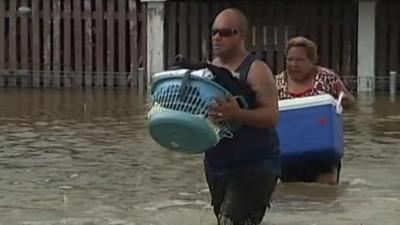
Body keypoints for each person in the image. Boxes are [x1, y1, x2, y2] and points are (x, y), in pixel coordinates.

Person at [204, 8, 281, 225]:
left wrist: (237, 114)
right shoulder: (211, 69)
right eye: (214, 32)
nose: (218, 37)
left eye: (226, 32)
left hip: (255, 163)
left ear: (242, 36)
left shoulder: (256, 70)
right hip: (218, 163)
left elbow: (272, 116)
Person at [275, 36, 356, 185]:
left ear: (312, 61)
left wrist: (343, 101)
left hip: (323, 151)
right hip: (289, 152)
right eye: (290, 59)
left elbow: (349, 101)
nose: (293, 64)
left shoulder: (327, 78)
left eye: (299, 60)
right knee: (292, 195)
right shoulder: (278, 83)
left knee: (325, 194)